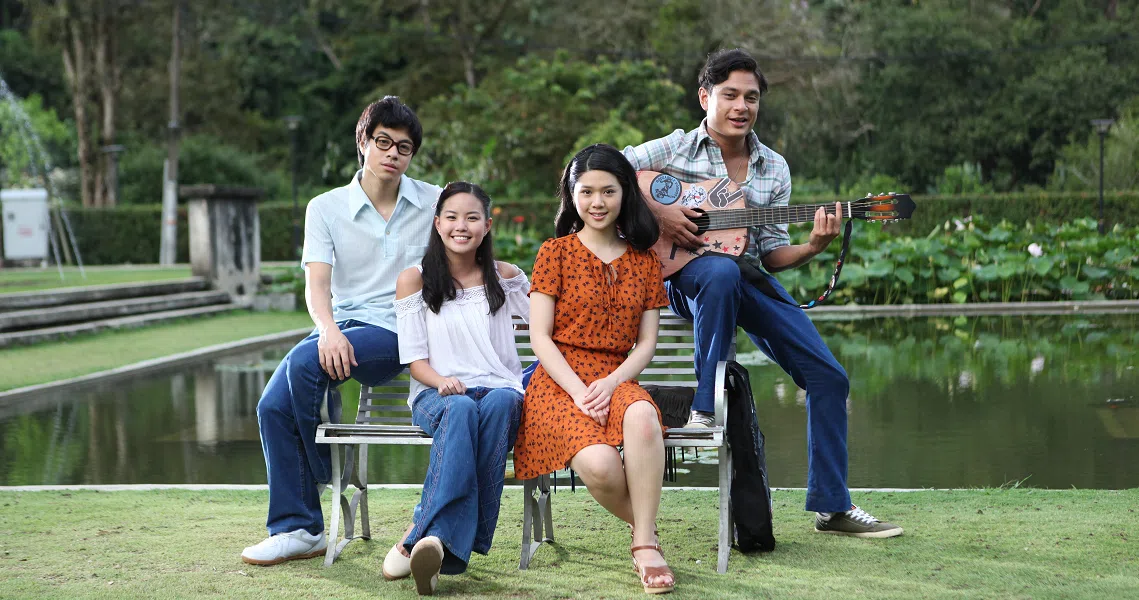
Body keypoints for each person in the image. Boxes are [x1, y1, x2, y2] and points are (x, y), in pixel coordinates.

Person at [622, 48, 903, 539]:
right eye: (730, 94)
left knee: (828, 376)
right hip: (683, 280)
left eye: (751, 98)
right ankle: (707, 401)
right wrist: (659, 214)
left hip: (746, 276)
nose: (741, 106)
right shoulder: (673, 149)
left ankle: (832, 507)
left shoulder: (773, 167)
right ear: (705, 96)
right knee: (719, 274)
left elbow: (770, 254)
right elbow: (591, 173)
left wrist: (813, 246)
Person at [242, 96, 443, 565]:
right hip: (345, 325)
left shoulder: (433, 199)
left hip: (402, 328)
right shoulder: (326, 208)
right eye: (384, 142)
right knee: (270, 405)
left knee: (303, 364)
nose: (393, 154)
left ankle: (319, 480)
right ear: (363, 142)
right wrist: (328, 329)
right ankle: (301, 529)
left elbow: (466, 242)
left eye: (405, 147)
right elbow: (317, 285)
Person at [513, 144, 676, 595]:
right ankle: (648, 525)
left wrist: (610, 382)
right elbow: (540, 337)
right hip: (558, 380)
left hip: (615, 375)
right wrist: (581, 389)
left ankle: (644, 543)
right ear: (572, 194)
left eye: (608, 191)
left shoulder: (645, 262)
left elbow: (646, 345)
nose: (597, 202)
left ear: (626, 194)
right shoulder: (555, 252)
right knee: (602, 467)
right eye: (587, 192)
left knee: (643, 417)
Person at [382, 182, 530, 595]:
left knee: (501, 401)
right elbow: (414, 361)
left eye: (471, 217)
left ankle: (421, 538)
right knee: (462, 409)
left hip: (499, 391)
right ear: (437, 223)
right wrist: (443, 381)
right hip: (437, 396)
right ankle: (440, 543)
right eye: (451, 217)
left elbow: (549, 327)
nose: (460, 226)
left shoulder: (505, 277)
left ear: (486, 225)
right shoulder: (414, 279)